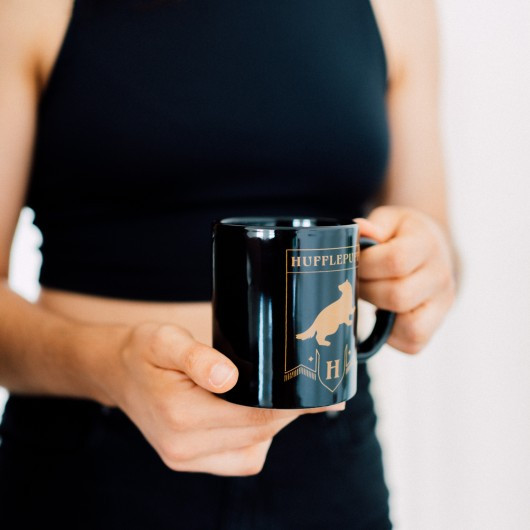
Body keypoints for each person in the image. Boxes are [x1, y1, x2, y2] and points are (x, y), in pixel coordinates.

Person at [0, 0, 459, 528]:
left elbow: (432, 236)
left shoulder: (400, 8)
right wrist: (110, 365)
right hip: (85, 464)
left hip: (327, 462)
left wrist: (424, 269)